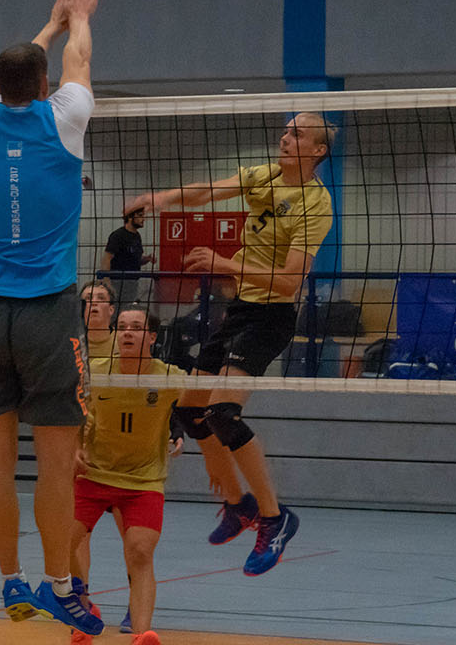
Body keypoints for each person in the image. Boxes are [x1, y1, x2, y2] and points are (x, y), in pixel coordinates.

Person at [129, 112, 336, 576]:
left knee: (223, 413)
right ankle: (239, 505)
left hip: (271, 317)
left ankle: (274, 517)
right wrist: (161, 199)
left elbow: (289, 283)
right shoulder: (266, 176)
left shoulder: (315, 204)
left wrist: (225, 264)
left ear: (318, 150)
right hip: (240, 309)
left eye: (297, 133)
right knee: (190, 411)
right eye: (286, 130)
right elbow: (207, 191)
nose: (286, 137)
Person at [0, 0, 105, 636]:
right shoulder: (64, 117)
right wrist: (78, 17)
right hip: (48, 312)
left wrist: (46, 26)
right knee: (54, 465)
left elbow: (28, 68)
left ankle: (9, 581)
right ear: (45, 85)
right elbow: (78, 61)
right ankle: (59, 586)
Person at [68, 306, 185, 645]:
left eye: (136, 327)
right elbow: (73, 413)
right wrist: (75, 448)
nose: (128, 333)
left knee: (140, 551)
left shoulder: (169, 376)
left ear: (152, 337)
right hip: (94, 475)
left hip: (143, 481)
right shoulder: (95, 372)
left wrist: (180, 431)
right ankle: (82, 613)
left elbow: (198, 403)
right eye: (122, 327)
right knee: (64, 541)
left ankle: (140, 643)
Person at [102, 207, 156, 304]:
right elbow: (107, 258)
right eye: (140, 216)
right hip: (118, 282)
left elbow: (135, 259)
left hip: (132, 282)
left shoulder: (137, 236)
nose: (143, 219)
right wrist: (107, 281)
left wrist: (147, 259)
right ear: (130, 217)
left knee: (128, 308)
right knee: (117, 308)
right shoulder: (118, 235)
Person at [80, 280, 117, 362]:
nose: (94, 302)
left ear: (111, 309)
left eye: (101, 298)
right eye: (88, 298)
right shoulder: (71, 343)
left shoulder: (123, 340)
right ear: (80, 307)